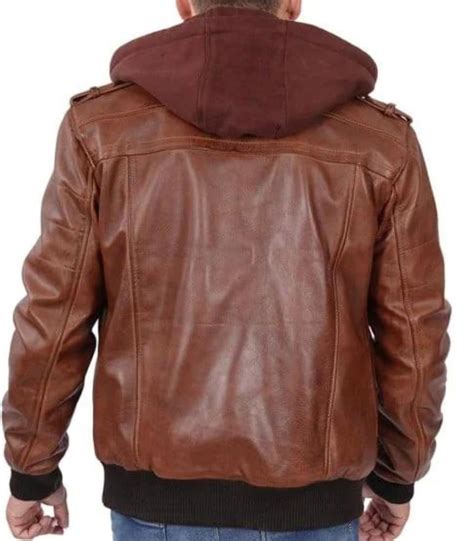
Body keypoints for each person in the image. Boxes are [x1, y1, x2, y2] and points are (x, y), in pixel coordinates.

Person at [3, 0, 451, 539]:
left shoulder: (100, 131)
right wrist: (398, 475)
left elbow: (55, 315)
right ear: (292, 4)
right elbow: (414, 331)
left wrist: (32, 468)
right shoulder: (381, 143)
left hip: (155, 502)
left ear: (185, 4)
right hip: (314, 502)